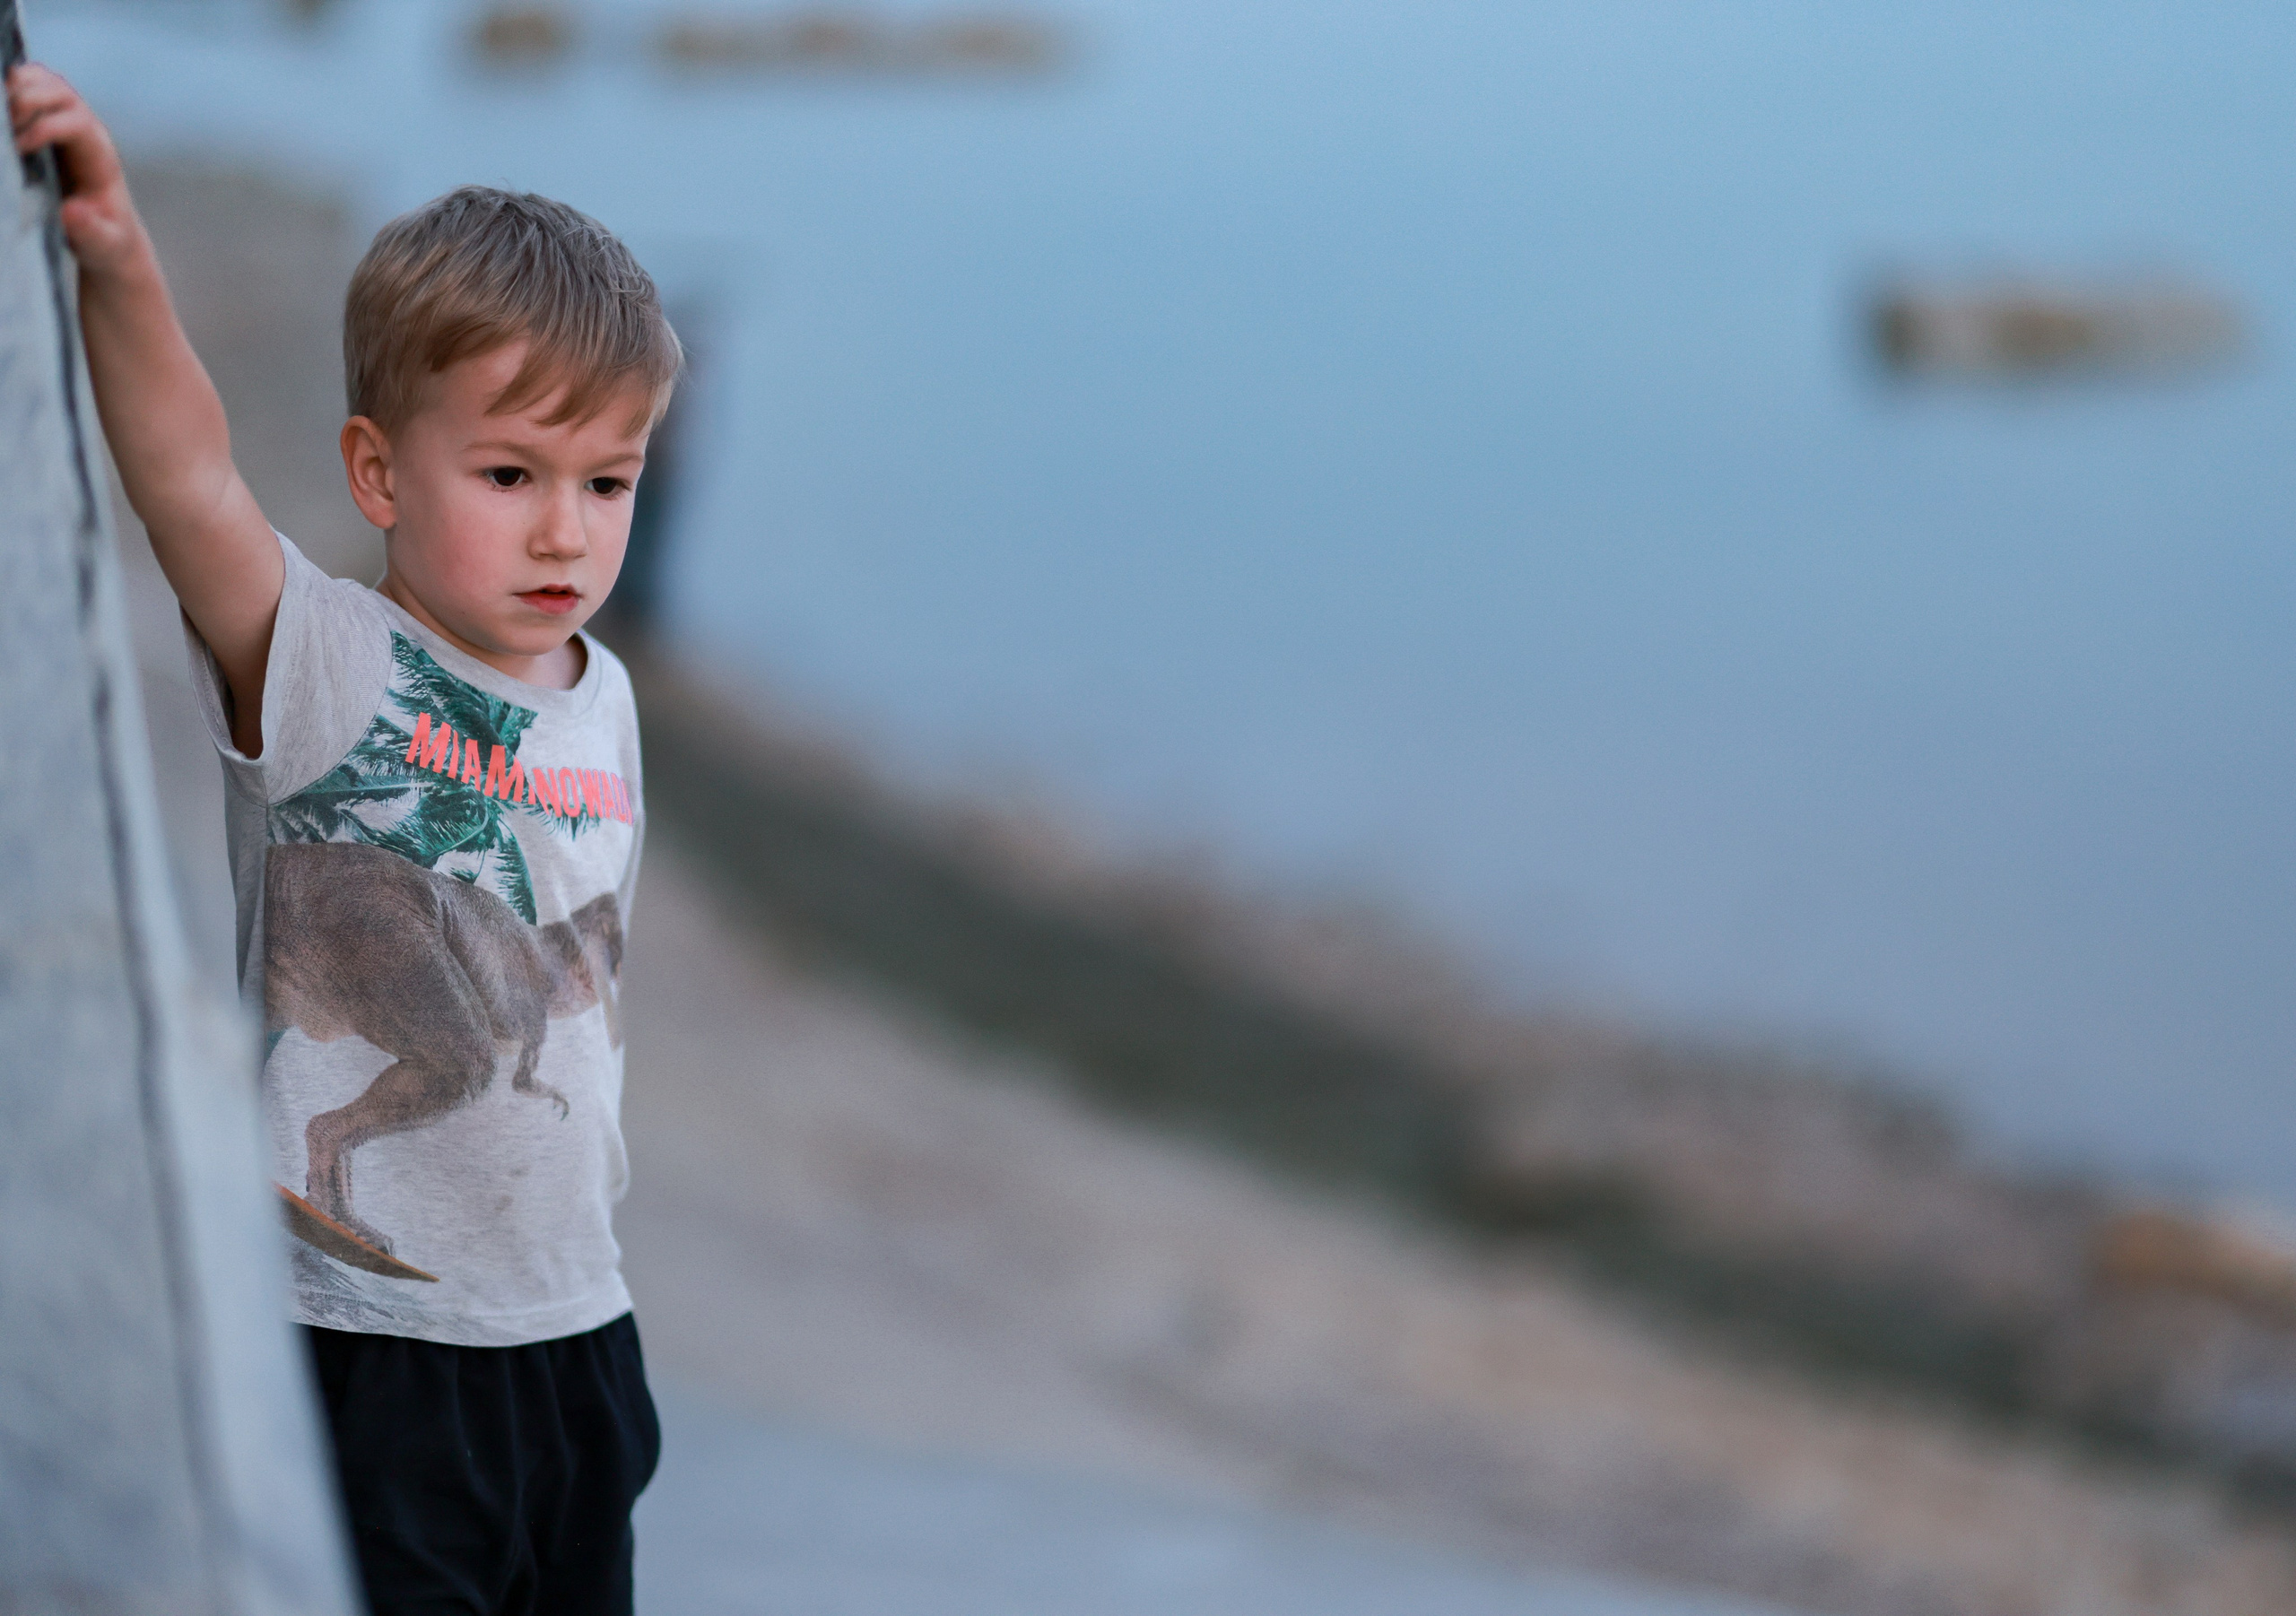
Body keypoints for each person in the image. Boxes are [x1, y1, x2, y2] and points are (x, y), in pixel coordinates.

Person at [10, 63, 675, 1616]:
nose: (565, 529)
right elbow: (185, 478)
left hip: (576, 1329)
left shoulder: (610, 696)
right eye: (510, 476)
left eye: (609, 482)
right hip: (368, 1350)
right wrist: (115, 256)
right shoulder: (319, 660)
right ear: (380, 469)